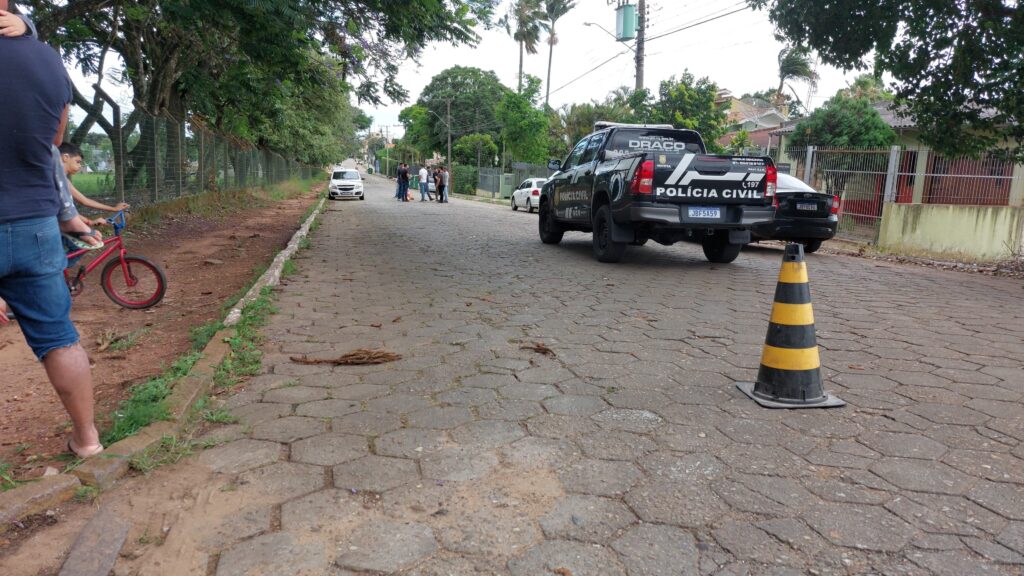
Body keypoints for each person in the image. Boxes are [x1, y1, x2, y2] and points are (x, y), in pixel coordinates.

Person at [0, 3, 104, 458]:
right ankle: (88, 439)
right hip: (35, 224)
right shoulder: (47, 59)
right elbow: (53, 144)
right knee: (58, 338)